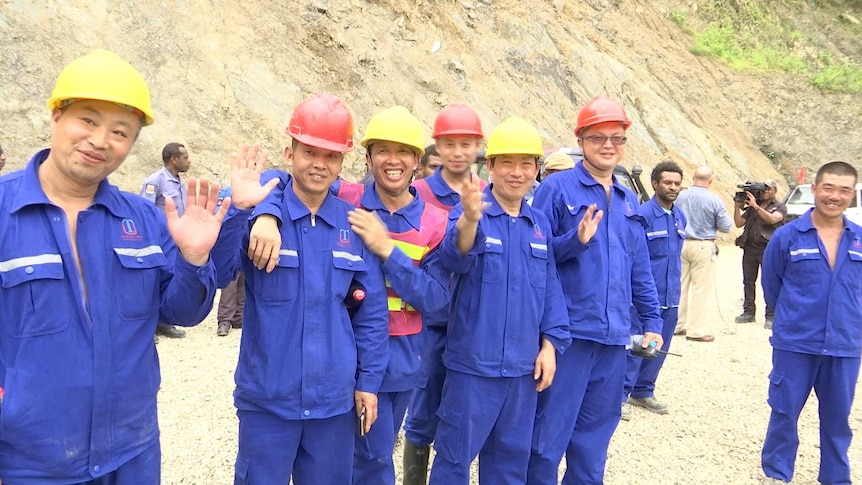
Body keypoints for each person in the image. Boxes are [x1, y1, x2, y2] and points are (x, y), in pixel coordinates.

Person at [0, 49, 227, 484]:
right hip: (32, 462)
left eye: (120, 131)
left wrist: (195, 259)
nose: (101, 140)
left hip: (132, 450)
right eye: (87, 120)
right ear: (56, 117)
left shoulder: (142, 220)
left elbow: (182, 313)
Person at [213, 94, 389, 485]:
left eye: (330, 156)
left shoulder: (354, 226)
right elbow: (217, 271)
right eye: (310, 152)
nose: (319, 165)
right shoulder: (259, 213)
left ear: (342, 163)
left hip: (332, 407)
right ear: (289, 152)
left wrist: (368, 382)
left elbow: (371, 314)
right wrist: (245, 211)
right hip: (268, 404)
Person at [527, 95, 664, 484]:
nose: (608, 145)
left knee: (594, 440)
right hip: (568, 336)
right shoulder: (558, 189)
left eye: (617, 138)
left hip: (613, 339)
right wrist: (576, 240)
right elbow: (536, 258)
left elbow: (639, 268)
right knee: (547, 438)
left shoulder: (626, 199)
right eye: (598, 137)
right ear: (581, 140)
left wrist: (653, 320)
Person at [427, 117, 570, 484]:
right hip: (473, 368)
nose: (517, 172)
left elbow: (551, 288)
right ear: (490, 166)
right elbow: (453, 258)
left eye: (526, 164)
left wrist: (551, 346)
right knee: (454, 460)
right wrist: (469, 222)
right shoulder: (470, 211)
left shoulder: (538, 224)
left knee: (509, 464)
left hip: (523, 373)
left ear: (537, 169)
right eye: (507, 162)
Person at [343, 106, 451, 485]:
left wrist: (386, 250)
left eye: (403, 151)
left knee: (374, 452)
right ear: (368, 157)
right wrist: (269, 217)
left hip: (402, 362)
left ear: (417, 161)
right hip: (346, 356)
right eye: (382, 150)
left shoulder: (435, 222)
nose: (393, 160)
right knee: (368, 460)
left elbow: (437, 299)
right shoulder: (346, 198)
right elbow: (290, 182)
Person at [760, 161, 862, 485]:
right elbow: (771, 286)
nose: (835, 196)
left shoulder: (860, 239)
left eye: (844, 190)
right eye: (828, 187)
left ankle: (835, 477)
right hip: (795, 343)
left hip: (845, 345)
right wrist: (795, 318)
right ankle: (777, 474)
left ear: (853, 195)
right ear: (815, 189)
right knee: (784, 411)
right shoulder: (787, 236)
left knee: (837, 420)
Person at [402, 102, 486, 485]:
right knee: (422, 414)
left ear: (478, 147)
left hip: (471, 325)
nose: (457, 152)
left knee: (462, 414)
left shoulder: (489, 192)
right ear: (437, 145)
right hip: (428, 322)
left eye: (466, 144)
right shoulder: (416, 192)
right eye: (449, 144)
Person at [623, 160, 687, 418]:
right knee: (635, 348)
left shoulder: (679, 216)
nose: (673, 188)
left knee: (658, 349)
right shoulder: (644, 215)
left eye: (677, 184)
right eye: (668, 182)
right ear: (655, 184)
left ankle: (643, 391)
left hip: (670, 298)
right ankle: (618, 397)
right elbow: (634, 259)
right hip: (646, 298)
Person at [140, 142, 193, 339]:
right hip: (159, 241)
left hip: (175, 241)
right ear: (174, 159)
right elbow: (146, 212)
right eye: (185, 158)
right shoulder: (156, 181)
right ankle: (148, 327)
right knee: (152, 282)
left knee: (169, 280)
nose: (189, 161)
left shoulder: (179, 182)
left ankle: (164, 322)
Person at [674, 166, 732, 342]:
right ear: (711, 180)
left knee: (680, 286)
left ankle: (677, 325)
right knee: (700, 289)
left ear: (693, 177)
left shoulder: (681, 196)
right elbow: (726, 226)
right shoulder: (714, 200)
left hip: (682, 242)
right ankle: (695, 330)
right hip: (703, 244)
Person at [732, 179, 786, 328]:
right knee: (748, 281)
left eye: (769, 189)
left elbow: (772, 219)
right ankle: (749, 312)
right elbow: (738, 223)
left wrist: (755, 206)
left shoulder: (779, 207)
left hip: (768, 249)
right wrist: (737, 207)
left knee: (769, 282)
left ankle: (771, 315)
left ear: (775, 191)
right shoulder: (752, 206)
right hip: (750, 248)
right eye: (764, 189)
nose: (765, 191)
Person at [216, 186, 246, 336]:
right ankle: (224, 321)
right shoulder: (227, 192)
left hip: (246, 244)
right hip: (230, 245)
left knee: (243, 284)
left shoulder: (255, 192)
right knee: (229, 284)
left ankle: (239, 318)